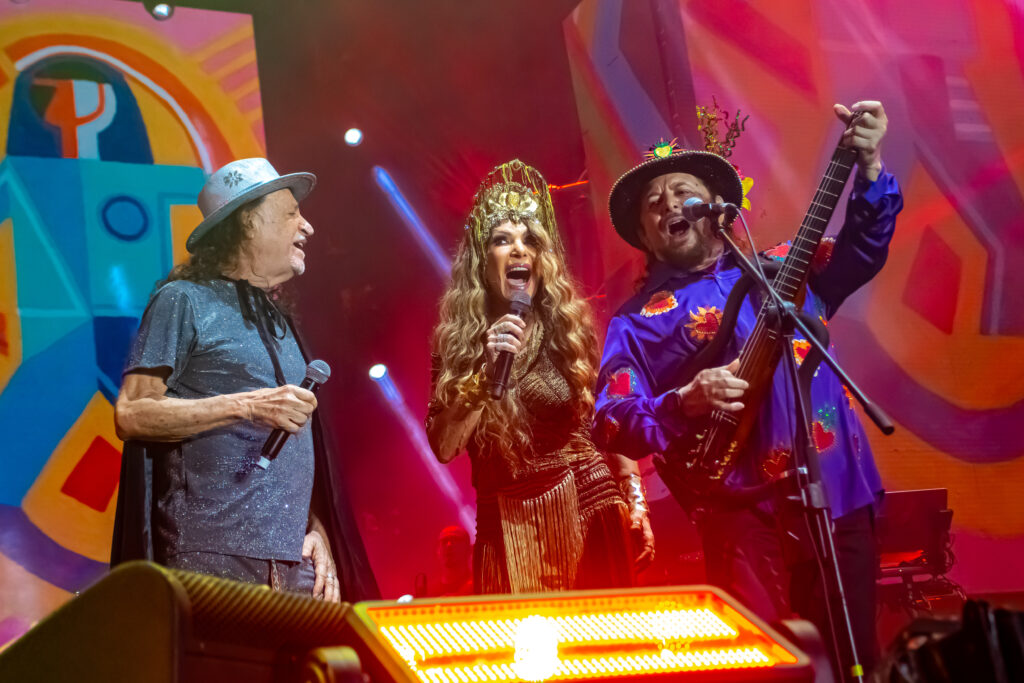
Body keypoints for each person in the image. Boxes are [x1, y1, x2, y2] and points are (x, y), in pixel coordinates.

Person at [593, 102, 903, 674]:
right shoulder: (636, 320)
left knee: (858, 661)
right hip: (741, 513)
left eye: (680, 192)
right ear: (644, 236)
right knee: (769, 668)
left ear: (715, 209)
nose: (667, 206)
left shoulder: (784, 266)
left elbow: (862, 249)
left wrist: (870, 166)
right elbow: (610, 418)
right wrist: (683, 401)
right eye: (652, 207)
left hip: (836, 493)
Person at [110, 158, 377, 603]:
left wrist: (316, 527)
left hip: (295, 570)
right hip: (209, 564)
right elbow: (131, 412)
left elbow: (286, 461)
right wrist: (246, 405)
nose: (307, 226)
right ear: (247, 222)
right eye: (292, 212)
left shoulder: (282, 323)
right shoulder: (182, 301)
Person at [426, 159, 654, 594]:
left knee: (600, 656)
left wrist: (636, 498)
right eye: (501, 240)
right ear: (480, 260)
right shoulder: (456, 343)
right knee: (521, 658)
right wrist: (482, 373)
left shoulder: (569, 324)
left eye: (530, 239)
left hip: (589, 505)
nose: (519, 250)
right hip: (506, 519)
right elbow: (443, 445)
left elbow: (608, 419)